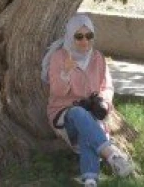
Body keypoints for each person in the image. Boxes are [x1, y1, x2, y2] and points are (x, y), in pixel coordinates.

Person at [43, 14, 135, 187]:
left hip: (92, 113)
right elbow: (57, 92)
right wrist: (66, 73)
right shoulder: (60, 57)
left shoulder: (97, 58)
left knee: (89, 128)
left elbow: (107, 87)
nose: (84, 41)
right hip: (64, 113)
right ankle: (112, 155)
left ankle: (90, 180)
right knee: (79, 113)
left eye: (89, 36)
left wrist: (104, 103)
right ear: (70, 36)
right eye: (79, 36)